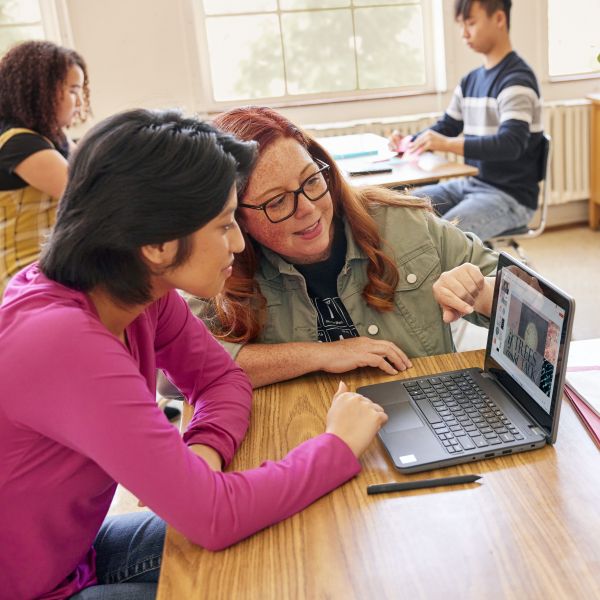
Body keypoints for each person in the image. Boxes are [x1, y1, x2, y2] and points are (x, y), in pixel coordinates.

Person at [0, 109, 388, 600]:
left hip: (71, 558)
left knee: (290, 544)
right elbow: (213, 517)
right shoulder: (62, 340)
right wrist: (336, 445)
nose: (239, 242)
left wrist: (202, 452)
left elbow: (222, 380)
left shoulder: (135, 291)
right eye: (224, 225)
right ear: (159, 245)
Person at [174, 105, 499, 391]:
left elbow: (538, 307)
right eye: (277, 201)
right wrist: (319, 355)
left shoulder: (403, 223)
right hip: (301, 435)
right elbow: (181, 371)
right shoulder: (217, 260)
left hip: (431, 422)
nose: (309, 209)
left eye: (312, 181)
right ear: (236, 216)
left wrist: (481, 292)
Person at [389, 0, 543, 241]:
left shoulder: (517, 81)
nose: (464, 33)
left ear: (499, 19)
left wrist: (446, 144)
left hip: (510, 197)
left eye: (471, 23)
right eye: (461, 25)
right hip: (471, 185)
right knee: (400, 209)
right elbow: (446, 127)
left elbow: (511, 143)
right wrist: (410, 141)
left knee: (444, 239)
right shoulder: (470, 81)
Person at [0, 40, 90, 298]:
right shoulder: (20, 143)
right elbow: (91, 194)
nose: (80, 101)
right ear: (40, 92)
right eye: (73, 90)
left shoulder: (53, 139)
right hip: (24, 277)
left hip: (51, 264)